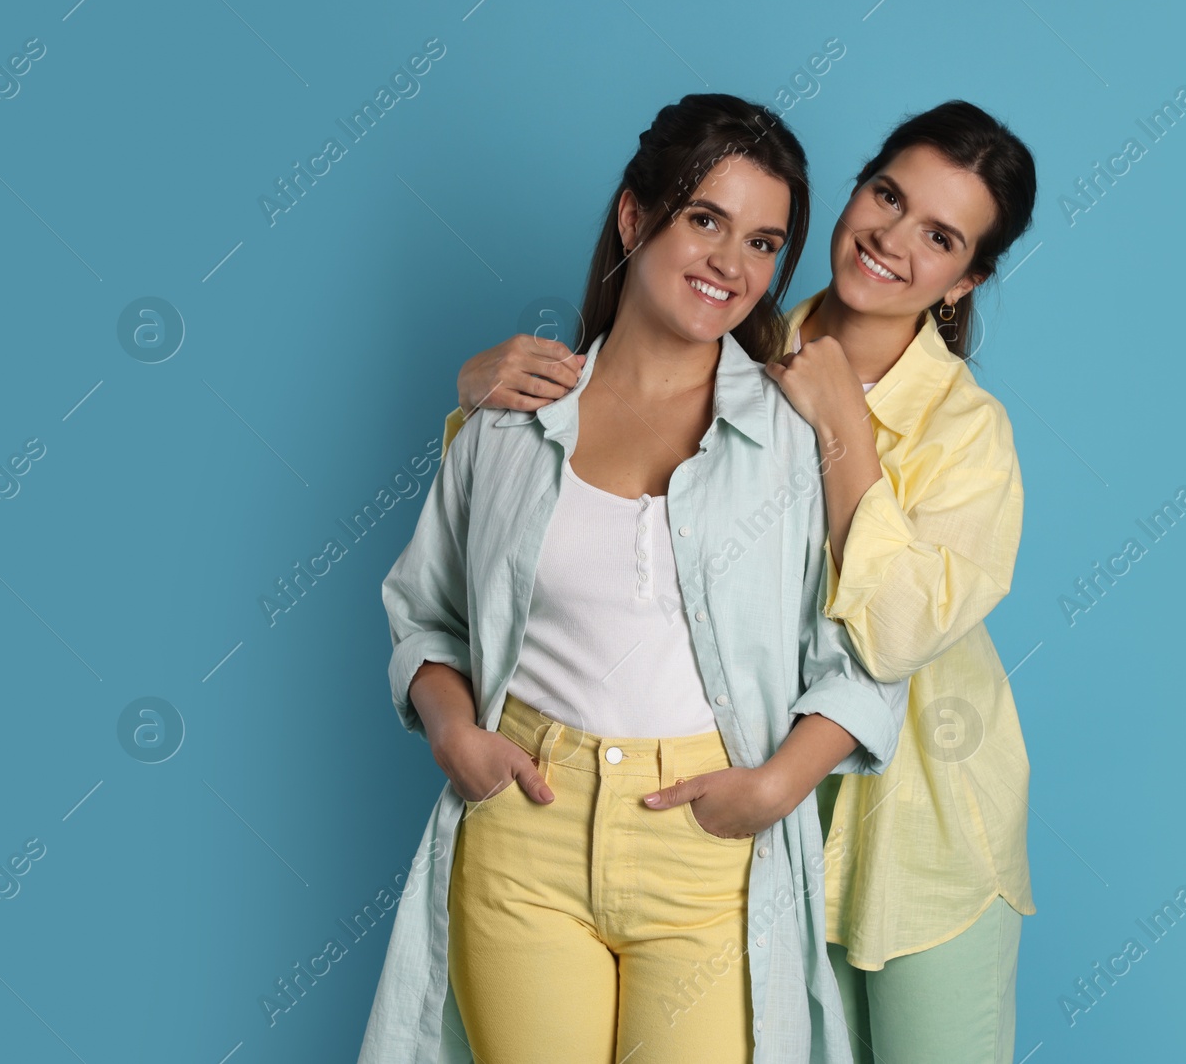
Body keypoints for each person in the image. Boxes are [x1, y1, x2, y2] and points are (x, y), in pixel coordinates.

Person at [450, 99, 1039, 1063]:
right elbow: (547, 515)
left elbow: (889, 634)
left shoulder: (968, 434)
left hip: (916, 831)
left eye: (938, 237)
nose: (891, 239)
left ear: (963, 281)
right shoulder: (747, 353)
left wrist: (844, 423)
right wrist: (474, 398)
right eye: (886, 195)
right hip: (735, 823)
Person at [358, 93, 908, 1064]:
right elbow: (424, 613)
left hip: (704, 842)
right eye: (705, 219)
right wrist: (455, 734)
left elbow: (868, 653)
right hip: (524, 828)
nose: (731, 265)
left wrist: (777, 784)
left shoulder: (790, 440)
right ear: (632, 215)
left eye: (764, 241)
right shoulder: (514, 415)